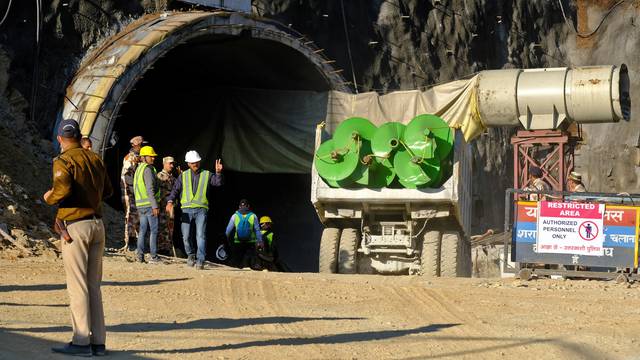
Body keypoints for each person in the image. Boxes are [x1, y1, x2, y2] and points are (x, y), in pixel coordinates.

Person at [44, 119, 112, 357]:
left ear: (60, 139)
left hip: (75, 227)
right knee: (94, 285)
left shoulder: (63, 160)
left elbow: (61, 190)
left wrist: (49, 197)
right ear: (80, 136)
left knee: (77, 285)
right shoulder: (95, 158)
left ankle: (81, 341)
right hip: (97, 226)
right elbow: (108, 191)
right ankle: (98, 343)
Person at [166, 150, 223, 269]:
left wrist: (218, 173)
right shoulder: (183, 176)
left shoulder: (207, 174)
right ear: (188, 164)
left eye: (196, 162)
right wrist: (170, 201)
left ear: (200, 161)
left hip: (201, 210)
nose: (195, 164)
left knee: (200, 235)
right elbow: (175, 190)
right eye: (192, 162)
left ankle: (200, 260)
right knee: (186, 236)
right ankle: (191, 255)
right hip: (186, 211)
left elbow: (217, 183)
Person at [133, 145, 161, 263]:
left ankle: (140, 255)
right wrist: (154, 205)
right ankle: (154, 256)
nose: (153, 158)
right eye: (151, 156)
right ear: (144, 157)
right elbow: (150, 188)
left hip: (141, 205)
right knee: (153, 230)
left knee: (143, 230)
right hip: (149, 205)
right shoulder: (148, 169)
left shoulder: (139, 169)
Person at [120, 136, 144, 251]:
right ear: (135, 145)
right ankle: (129, 242)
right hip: (129, 192)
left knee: (136, 217)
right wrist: (134, 192)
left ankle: (137, 242)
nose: (142, 147)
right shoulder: (130, 158)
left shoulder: (138, 158)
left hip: (135, 193)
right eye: (141, 145)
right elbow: (127, 177)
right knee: (130, 217)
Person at [225, 199, 263, 269]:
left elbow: (228, 230)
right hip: (250, 242)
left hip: (238, 242)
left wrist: (224, 241)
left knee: (236, 261)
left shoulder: (234, 216)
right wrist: (260, 241)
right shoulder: (253, 216)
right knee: (251, 262)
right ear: (248, 206)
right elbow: (257, 230)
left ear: (239, 206)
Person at [157, 156, 178, 256]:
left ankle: (168, 248)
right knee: (162, 228)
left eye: (172, 163)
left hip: (171, 209)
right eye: (170, 163)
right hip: (162, 207)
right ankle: (161, 249)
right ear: (164, 164)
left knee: (170, 228)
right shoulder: (159, 176)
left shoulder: (173, 178)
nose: (172, 165)